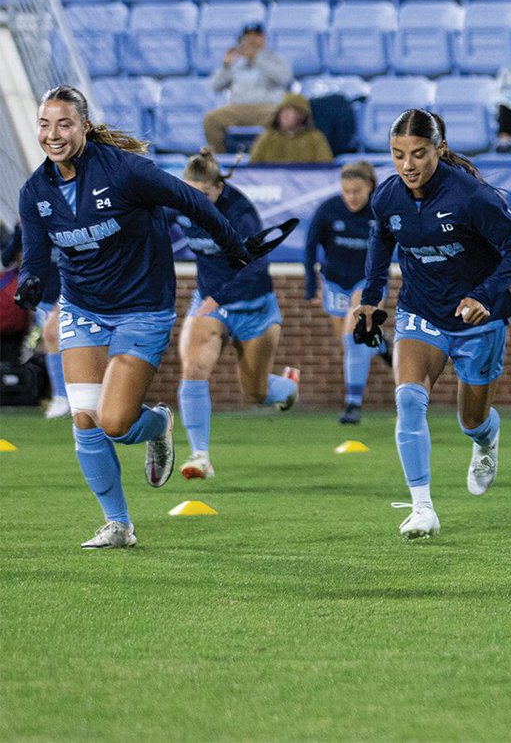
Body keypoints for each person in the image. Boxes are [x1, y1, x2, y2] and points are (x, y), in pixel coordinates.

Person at [15, 85, 251, 549]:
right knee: (84, 419)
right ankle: (118, 524)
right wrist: (30, 280)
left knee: (115, 423)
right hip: (83, 309)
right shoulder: (35, 192)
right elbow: (37, 257)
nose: (53, 133)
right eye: (45, 124)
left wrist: (233, 246)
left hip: (142, 310)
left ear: (83, 125)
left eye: (64, 123)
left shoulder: (124, 170)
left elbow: (192, 201)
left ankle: (158, 423)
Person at [353, 109, 511, 540]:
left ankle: (486, 439)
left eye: (418, 154)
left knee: (470, 420)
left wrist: (483, 296)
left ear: (440, 149)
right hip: (420, 311)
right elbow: (380, 239)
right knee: (409, 401)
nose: (408, 166)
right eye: (398, 155)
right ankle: (422, 508)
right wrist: (370, 299)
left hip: (478, 320)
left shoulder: (472, 197)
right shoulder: (388, 196)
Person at [173, 148, 301, 481]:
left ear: (218, 188)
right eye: (189, 194)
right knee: (193, 368)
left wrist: (220, 296)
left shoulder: (240, 212)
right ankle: (199, 456)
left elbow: (257, 267)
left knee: (255, 394)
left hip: (252, 305)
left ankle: (286, 388)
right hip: (209, 303)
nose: (195, 202)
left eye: (202, 196)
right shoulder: (180, 203)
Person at [304, 161, 390, 425]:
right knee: (348, 340)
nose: (351, 197)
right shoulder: (329, 209)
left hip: (367, 282)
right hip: (333, 282)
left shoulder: (380, 212)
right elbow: (309, 247)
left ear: (370, 188)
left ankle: (353, 404)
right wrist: (311, 285)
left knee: (353, 338)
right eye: (346, 191)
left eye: (357, 191)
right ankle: (382, 346)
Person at [2, 224, 69, 417]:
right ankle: (60, 396)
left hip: (74, 293)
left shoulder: (68, 219)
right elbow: (7, 259)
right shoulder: (29, 223)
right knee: (52, 340)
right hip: (46, 297)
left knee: (78, 344)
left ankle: (79, 396)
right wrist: (17, 230)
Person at [202, 22, 293, 154]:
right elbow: (216, 86)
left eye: (256, 36)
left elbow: (285, 79)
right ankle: (220, 160)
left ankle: (277, 157)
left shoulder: (275, 58)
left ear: (263, 38)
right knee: (211, 119)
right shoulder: (236, 61)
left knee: (285, 118)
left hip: (267, 109)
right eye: (248, 36)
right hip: (237, 109)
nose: (252, 40)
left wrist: (256, 59)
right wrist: (226, 65)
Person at [248, 93, 334, 164]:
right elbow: (253, 165)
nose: (284, 115)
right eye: (282, 111)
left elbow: (325, 166)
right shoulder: (267, 136)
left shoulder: (315, 138)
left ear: (302, 115)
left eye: (290, 111)